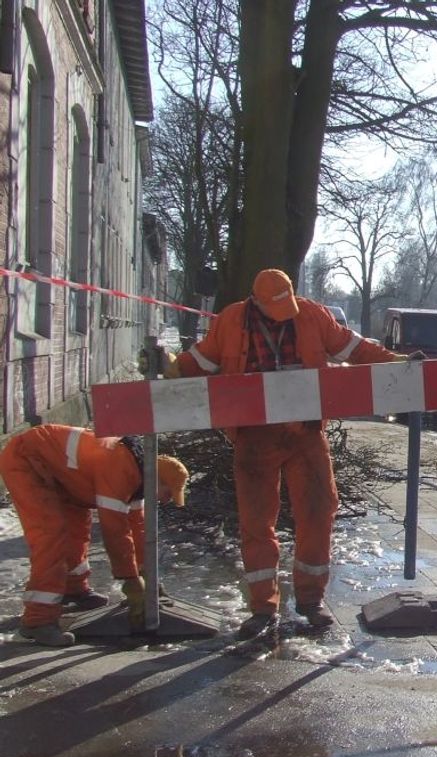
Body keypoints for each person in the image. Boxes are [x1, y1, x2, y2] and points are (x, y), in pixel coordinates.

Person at [157, 269, 412, 640]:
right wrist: (172, 367)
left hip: (305, 433)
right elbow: (200, 362)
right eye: (275, 308)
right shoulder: (230, 320)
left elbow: (352, 348)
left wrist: (395, 362)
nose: (284, 314)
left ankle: (310, 600)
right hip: (254, 437)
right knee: (256, 522)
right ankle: (263, 607)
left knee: (319, 511)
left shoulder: (312, 315)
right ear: (256, 301)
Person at [0, 424, 189, 647]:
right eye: (167, 493)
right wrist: (131, 580)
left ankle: (74, 590)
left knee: (78, 531)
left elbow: (138, 529)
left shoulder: (139, 476)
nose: (165, 500)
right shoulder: (119, 469)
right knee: (50, 537)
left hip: (63, 474)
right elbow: (115, 532)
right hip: (28, 462)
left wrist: (148, 574)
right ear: (157, 479)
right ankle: (37, 621)